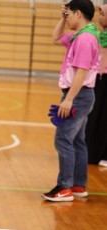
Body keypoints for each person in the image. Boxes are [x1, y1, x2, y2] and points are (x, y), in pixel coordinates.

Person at [42, 0, 99, 202]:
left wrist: (69, 100)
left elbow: (81, 72)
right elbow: (55, 38)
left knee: (63, 139)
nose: (67, 19)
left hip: (78, 95)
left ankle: (64, 187)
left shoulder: (84, 39)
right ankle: (77, 185)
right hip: (82, 95)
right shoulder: (82, 35)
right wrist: (61, 18)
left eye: (69, 14)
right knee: (77, 140)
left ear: (78, 14)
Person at [85, 4, 107, 168]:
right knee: (94, 116)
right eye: (99, 14)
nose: (100, 17)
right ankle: (92, 152)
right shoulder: (98, 35)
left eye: (103, 14)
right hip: (98, 79)